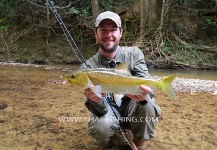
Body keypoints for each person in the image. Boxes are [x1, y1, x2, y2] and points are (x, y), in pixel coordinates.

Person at [81, 11, 161, 149]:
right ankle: (107, 142)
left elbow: (147, 84)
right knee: (101, 127)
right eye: (103, 30)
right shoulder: (87, 67)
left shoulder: (134, 54)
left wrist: (143, 96)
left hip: (133, 108)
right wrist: (96, 100)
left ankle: (140, 143)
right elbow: (97, 110)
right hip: (107, 111)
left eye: (113, 30)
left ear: (121, 32)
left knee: (148, 105)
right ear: (96, 33)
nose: (108, 35)